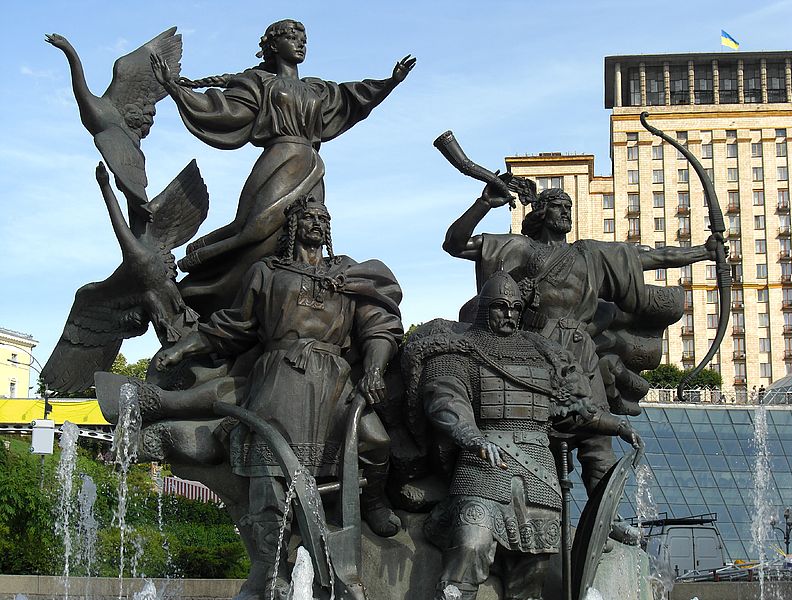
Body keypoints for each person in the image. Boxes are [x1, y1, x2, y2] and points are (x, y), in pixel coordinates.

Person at [154, 196, 404, 597]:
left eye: (323, 217)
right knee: (268, 471)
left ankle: (372, 500)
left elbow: (379, 328)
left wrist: (374, 368)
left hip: (333, 378)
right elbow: (234, 327)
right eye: (308, 217)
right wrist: (181, 349)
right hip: (278, 378)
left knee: (376, 441)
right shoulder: (266, 273)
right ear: (293, 227)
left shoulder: (348, 275)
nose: (317, 223)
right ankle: (272, 569)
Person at [443, 183, 719, 502]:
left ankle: (604, 519)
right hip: (530, 351)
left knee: (597, 439)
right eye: (559, 206)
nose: (566, 212)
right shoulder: (518, 248)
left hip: (579, 355)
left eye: (569, 207)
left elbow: (648, 256)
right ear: (541, 212)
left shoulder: (590, 255)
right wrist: (484, 203)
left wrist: (703, 252)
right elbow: (455, 243)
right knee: (532, 432)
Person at [151, 19, 415, 317]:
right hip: (278, 160)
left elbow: (352, 98)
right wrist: (175, 89)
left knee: (303, 237)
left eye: (304, 37)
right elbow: (227, 112)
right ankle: (204, 283)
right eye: (292, 36)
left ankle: (298, 307)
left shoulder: (317, 89)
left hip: (312, 166)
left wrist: (390, 82)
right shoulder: (259, 83)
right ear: (273, 45)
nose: (301, 42)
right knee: (256, 234)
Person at [404, 270, 641, 600]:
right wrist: (472, 436)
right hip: (483, 469)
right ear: (485, 308)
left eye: (516, 307)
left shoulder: (542, 355)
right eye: (501, 306)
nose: (509, 314)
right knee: (472, 543)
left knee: (533, 572)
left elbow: (573, 410)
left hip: (538, 476)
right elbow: (445, 399)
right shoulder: (458, 352)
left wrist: (616, 425)